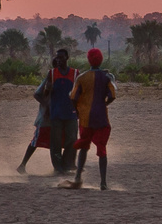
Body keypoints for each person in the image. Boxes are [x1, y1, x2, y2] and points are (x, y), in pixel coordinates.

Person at [65, 48, 117, 190]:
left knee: (83, 147)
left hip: (85, 118)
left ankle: (77, 177)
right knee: (102, 149)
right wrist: (104, 103)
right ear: (100, 60)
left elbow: (73, 97)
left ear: (89, 60)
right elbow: (113, 94)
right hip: (101, 118)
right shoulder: (106, 77)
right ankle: (103, 182)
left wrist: (77, 110)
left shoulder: (81, 77)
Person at [39, 51, 79, 174]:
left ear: (67, 58)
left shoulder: (75, 73)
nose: (59, 59)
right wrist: (46, 109)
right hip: (56, 113)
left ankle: (68, 165)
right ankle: (58, 167)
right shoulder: (51, 73)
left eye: (61, 57)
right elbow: (46, 93)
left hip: (71, 113)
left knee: (72, 140)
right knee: (55, 142)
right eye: (57, 57)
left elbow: (79, 93)